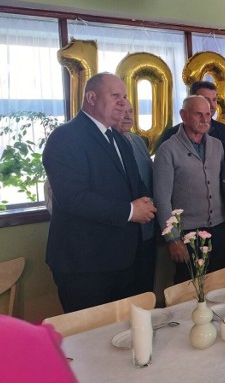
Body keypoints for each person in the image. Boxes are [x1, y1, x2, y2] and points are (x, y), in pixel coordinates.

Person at [42, 73, 156, 313]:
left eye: (124, 96)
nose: (123, 102)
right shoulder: (65, 137)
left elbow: (136, 185)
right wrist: (131, 210)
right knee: (89, 342)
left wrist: (145, 203)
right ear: (91, 98)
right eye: (115, 95)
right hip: (84, 264)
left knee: (124, 335)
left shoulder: (120, 139)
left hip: (124, 259)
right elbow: (72, 198)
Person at [154, 95, 225, 281]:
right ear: (183, 115)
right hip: (188, 234)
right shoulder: (167, 150)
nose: (205, 119)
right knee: (190, 290)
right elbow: (162, 199)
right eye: (198, 114)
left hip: (219, 230)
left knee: (220, 286)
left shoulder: (218, 146)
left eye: (208, 114)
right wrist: (173, 239)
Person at [115, 100, 156, 293]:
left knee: (145, 288)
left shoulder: (137, 141)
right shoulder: (106, 145)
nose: (128, 115)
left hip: (146, 228)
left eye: (131, 111)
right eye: (122, 110)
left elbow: (148, 179)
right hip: (121, 229)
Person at [156, 81, 225, 157]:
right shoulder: (171, 135)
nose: (212, 105)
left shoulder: (224, 131)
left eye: (214, 100)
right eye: (206, 99)